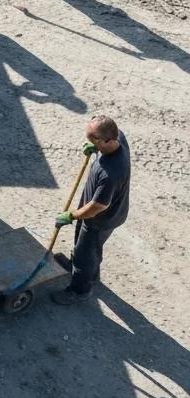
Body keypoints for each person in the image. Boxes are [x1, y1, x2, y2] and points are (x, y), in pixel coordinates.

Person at [51, 115, 131, 305]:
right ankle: (90, 274)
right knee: (89, 248)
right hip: (96, 214)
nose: (90, 143)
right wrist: (96, 149)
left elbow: (97, 206)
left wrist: (71, 215)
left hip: (100, 219)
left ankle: (80, 290)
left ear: (108, 140)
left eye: (93, 140)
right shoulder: (119, 138)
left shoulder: (112, 172)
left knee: (84, 254)